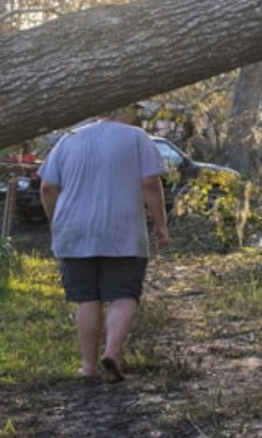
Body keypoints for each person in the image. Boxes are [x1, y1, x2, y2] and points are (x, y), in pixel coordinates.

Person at [37, 103, 169, 383]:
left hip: (74, 230)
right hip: (122, 229)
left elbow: (47, 187)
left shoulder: (69, 138)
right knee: (123, 293)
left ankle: (87, 366)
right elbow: (150, 183)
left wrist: (55, 221)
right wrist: (160, 223)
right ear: (126, 109)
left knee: (87, 297)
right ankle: (111, 352)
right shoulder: (136, 138)